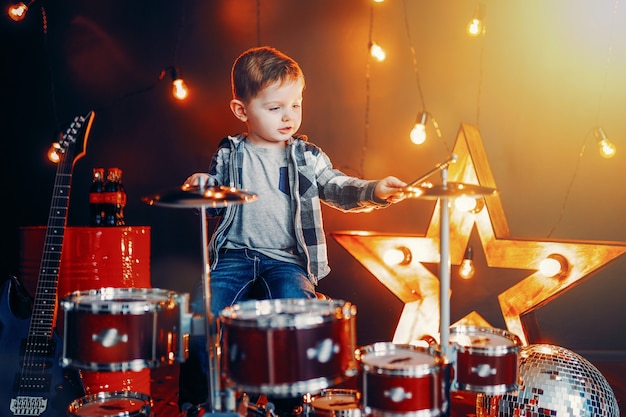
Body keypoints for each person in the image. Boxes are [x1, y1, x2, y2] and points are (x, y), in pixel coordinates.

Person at [178, 45, 407, 411]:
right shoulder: (231, 152)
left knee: (298, 314)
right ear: (242, 111)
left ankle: (289, 405)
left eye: (296, 105)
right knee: (202, 312)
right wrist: (202, 184)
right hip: (234, 256)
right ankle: (198, 401)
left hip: (286, 259)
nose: (289, 116)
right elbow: (211, 195)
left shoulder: (308, 155)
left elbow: (336, 185)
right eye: (275, 108)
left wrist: (374, 191)